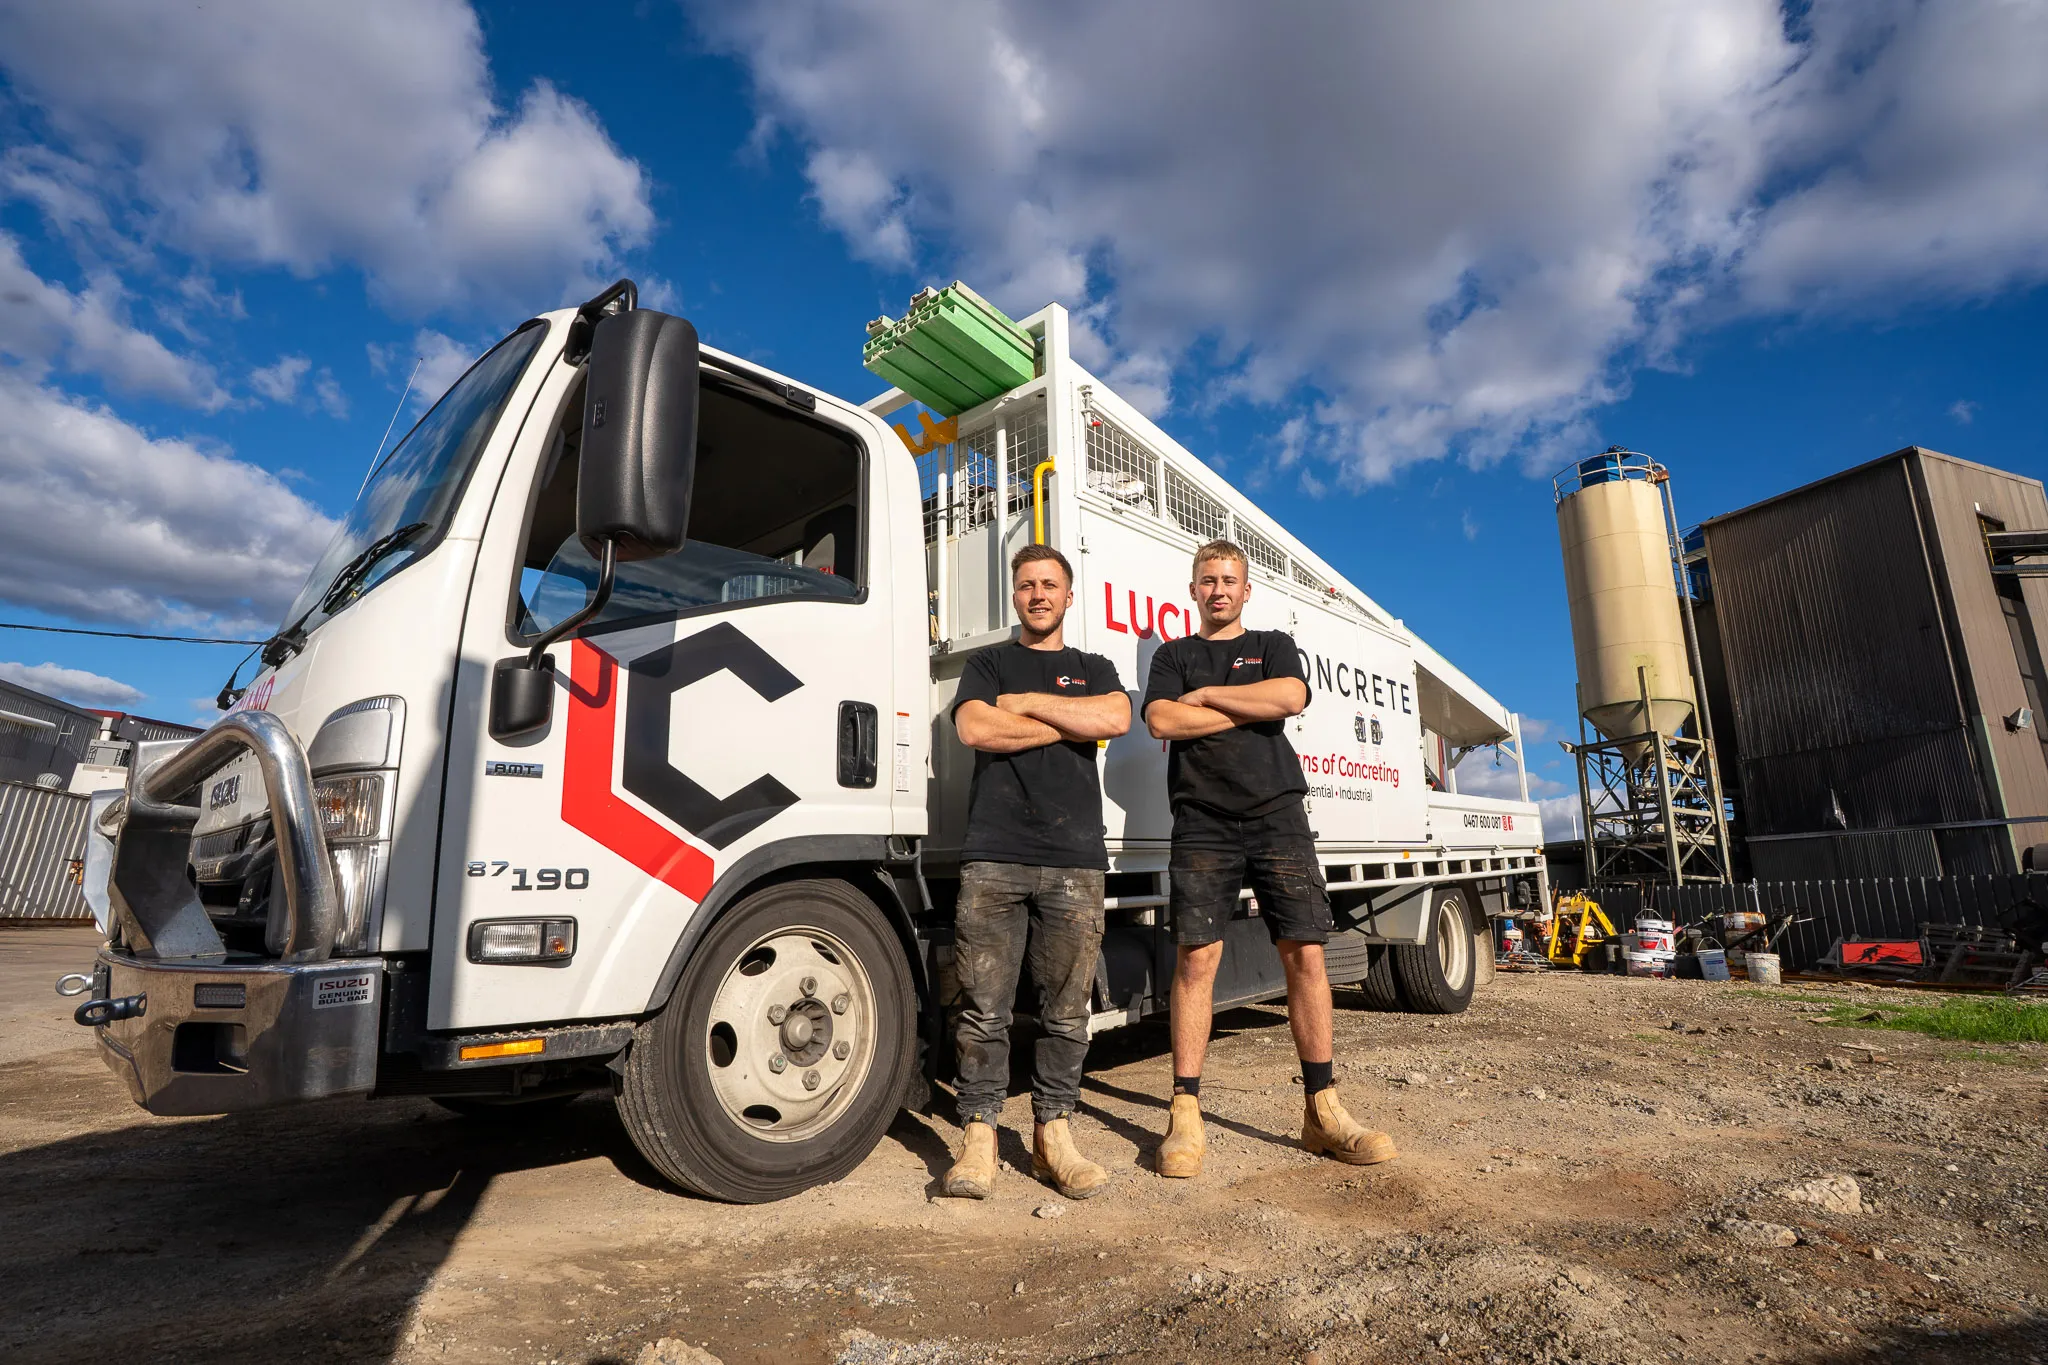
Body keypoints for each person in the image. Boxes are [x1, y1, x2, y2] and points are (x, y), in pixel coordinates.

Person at [1141, 539, 1398, 1177]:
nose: (1219, 589)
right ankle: (1185, 1114)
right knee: (1197, 960)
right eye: (1208, 580)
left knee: (1305, 954)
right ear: (1193, 590)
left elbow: (1287, 700)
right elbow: (1160, 723)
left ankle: (1323, 1108)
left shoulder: (1275, 645)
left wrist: (1203, 700)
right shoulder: (1174, 655)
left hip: (1278, 815)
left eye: (1230, 579)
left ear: (1246, 590)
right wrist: (1234, 705)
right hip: (1201, 819)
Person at [941, 543, 1132, 1200]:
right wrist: (1066, 723)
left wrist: (1026, 706)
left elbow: (1115, 717)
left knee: (1066, 1012)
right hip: (993, 853)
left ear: (1068, 595)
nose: (1038, 594)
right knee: (982, 1008)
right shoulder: (989, 662)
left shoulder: (1092, 665)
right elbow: (973, 729)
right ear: (1015, 595)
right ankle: (979, 1135)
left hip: (1075, 861)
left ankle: (1055, 1132)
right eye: (1027, 585)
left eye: (1050, 584)